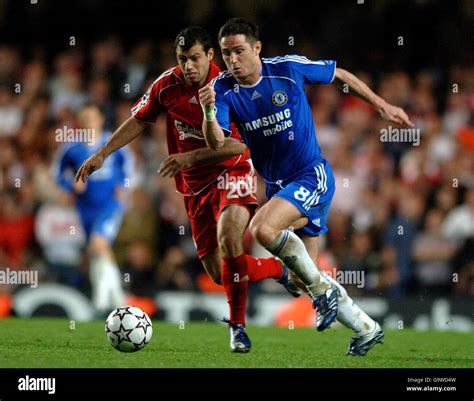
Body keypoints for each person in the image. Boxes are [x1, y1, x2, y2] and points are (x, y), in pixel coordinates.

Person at [75, 26, 300, 353]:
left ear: (210, 55)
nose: (189, 66)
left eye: (195, 58)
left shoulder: (229, 88)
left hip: (232, 170)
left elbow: (238, 143)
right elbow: (139, 119)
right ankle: (280, 268)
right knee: (219, 274)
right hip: (195, 187)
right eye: (182, 59)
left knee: (231, 237)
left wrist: (190, 156)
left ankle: (237, 328)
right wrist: (102, 153)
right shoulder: (166, 85)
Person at [199, 18, 413, 356]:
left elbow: (340, 75)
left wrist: (382, 105)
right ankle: (365, 328)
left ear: (257, 48)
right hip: (278, 188)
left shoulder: (287, 69)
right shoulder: (223, 90)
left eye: (239, 51)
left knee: (263, 229)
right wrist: (208, 109)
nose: (233, 60)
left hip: (311, 176)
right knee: (302, 282)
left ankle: (323, 295)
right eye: (226, 54)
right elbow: (216, 143)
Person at [54, 103, 133, 316]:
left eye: (92, 116)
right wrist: (71, 184)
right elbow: (59, 174)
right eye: (84, 117)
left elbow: (127, 169)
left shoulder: (113, 144)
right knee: (97, 250)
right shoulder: (71, 149)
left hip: (110, 205)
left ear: (100, 119)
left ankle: (106, 299)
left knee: (99, 244)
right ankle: (115, 297)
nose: (88, 120)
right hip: (85, 208)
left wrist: (123, 187)